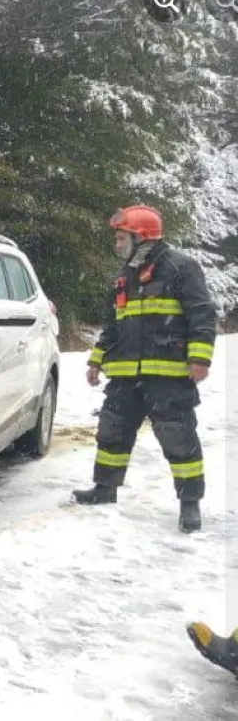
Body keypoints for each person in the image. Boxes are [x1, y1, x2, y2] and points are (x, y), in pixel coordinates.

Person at [72, 204, 216, 533]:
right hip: (125, 376)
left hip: (168, 376)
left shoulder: (181, 268)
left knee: (178, 438)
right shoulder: (123, 278)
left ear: (142, 237)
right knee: (111, 431)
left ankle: (189, 502)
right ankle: (105, 489)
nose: (116, 244)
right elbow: (111, 327)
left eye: (121, 237)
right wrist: (97, 360)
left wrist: (200, 358)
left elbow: (202, 315)